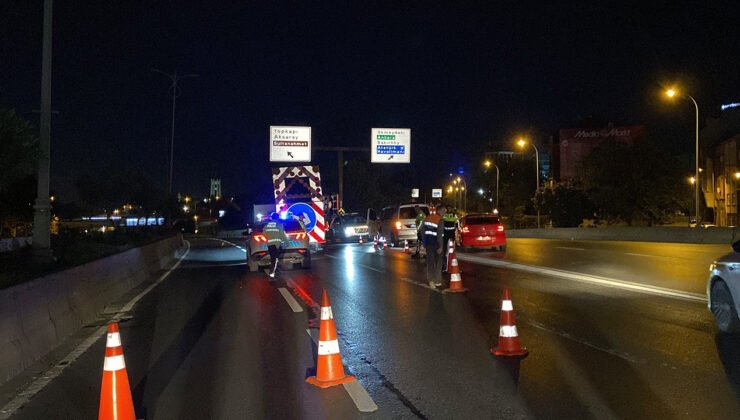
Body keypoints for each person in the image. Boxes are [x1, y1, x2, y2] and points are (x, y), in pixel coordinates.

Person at [422, 204, 446, 288]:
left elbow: (422, 231)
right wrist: (441, 247)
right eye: (443, 211)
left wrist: (424, 243)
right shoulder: (440, 220)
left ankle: (431, 280)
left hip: (428, 244)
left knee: (430, 262)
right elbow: (440, 235)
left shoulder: (427, 218)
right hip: (436, 244)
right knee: (438, 262)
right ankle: (437, 280)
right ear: (438, 211)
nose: (444, 213)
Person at [263, 213, 288, 279]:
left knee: (273, 258)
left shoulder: (267, 225)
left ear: (272, 218)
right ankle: (272, 273)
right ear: (277, 218)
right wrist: (286, 242)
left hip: (270, 244)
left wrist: (268, 238)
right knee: (275, 259)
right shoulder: (278, 224)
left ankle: (274, 271)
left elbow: (263, 232)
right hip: (277, 244)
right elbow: (282, 235)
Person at [442, 207, 459, 271]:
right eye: (448, 208)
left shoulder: (454, 215)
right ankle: (445, 265)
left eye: (450, 208)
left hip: (451, 234)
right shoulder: (444, 215)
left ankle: (452, 263)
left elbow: (457, 223)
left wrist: (458, 230)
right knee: (445, 249)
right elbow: (441, 223)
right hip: (446, 234)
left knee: (452, 249)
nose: (449, 209)